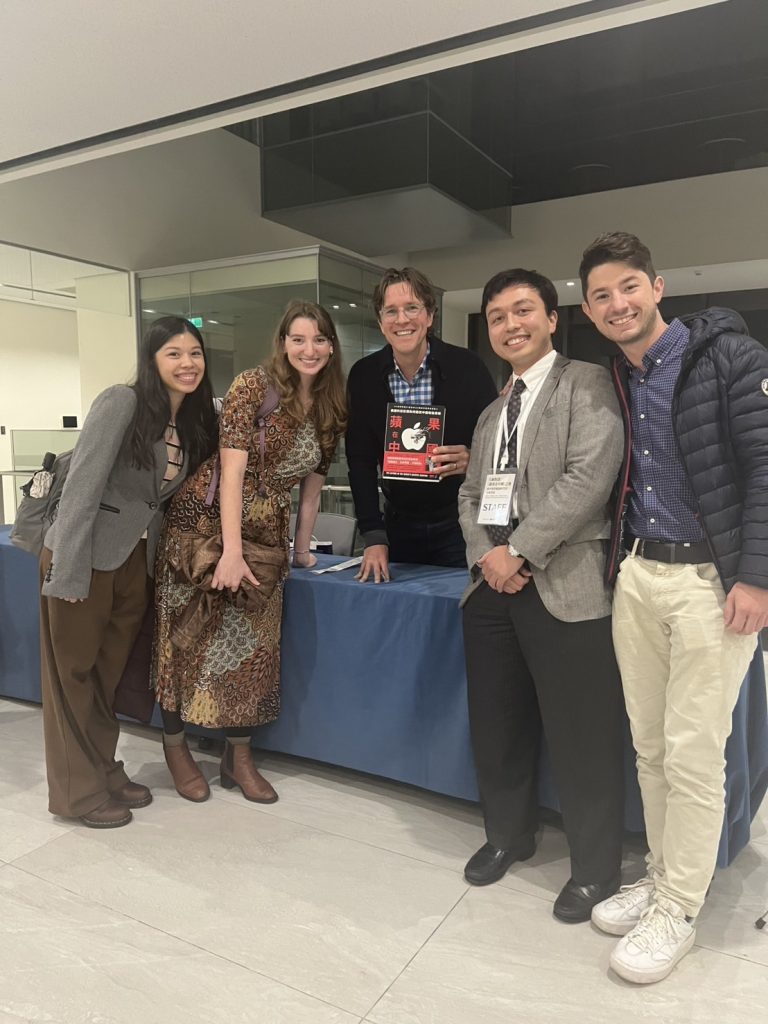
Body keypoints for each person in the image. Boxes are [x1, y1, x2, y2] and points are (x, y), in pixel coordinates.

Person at [580, 232, 768, 983]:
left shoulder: (729, 358)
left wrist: (757, 577)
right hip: (638, 575)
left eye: (629, 286)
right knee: (651, 747)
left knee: (693, 753)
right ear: (588, 309)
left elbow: (766, 468)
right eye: (601, 295)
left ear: (657, 287)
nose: (617, 304)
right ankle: (662, 877)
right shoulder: (616, 378)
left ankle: (680, 908)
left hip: (710, 585)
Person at [458, 268, 626, 923]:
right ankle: (509, 835)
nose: (511, 325)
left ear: (553, 319)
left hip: (567, 586)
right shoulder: (491, 413)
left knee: (583, 735)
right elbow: (471, 494)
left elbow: (589, 478)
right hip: (492, 589)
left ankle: (595, 869)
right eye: (497, 316)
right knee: (497, 724)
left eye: (523, 310)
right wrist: (489, 557)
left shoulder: (587, 384)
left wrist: (520, 551)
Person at [153, 300, 347, 803]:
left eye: (319, 339)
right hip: (204, 524)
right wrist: (231, 552)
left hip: (267, 536)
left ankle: (237, 759)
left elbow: (312, 488)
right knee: (184, 637)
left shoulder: (331, 404)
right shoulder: (254, 386)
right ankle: (175, 748)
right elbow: (233, 471)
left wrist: (301, 550)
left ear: (331, 346)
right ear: (283, 342)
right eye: (298, 339)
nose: (309, 349)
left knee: (252, 648)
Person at [39, 316, 218, 828]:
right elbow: (82, 487)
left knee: (106, 677)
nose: (187, 363)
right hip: (85, 558)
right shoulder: (123, 402)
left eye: (195, 353)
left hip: (135, 564)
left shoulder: (191, 421)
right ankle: (77, 794)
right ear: (152, 360)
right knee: (72, 676)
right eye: (173, 354)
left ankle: (103, 770)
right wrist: (69, 571)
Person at [346, 267, 497, 582]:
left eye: (412, 308)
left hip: (461, 523)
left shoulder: (468, 368)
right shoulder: (364, 376)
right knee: (400, 607)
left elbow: (500, 447)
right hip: (397, 526)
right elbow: (359, 462)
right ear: (380, 322)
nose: (402, 319)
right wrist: (373, 534)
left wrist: (474, 459)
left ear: (429, 316)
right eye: (391, 311)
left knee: (463, 606)